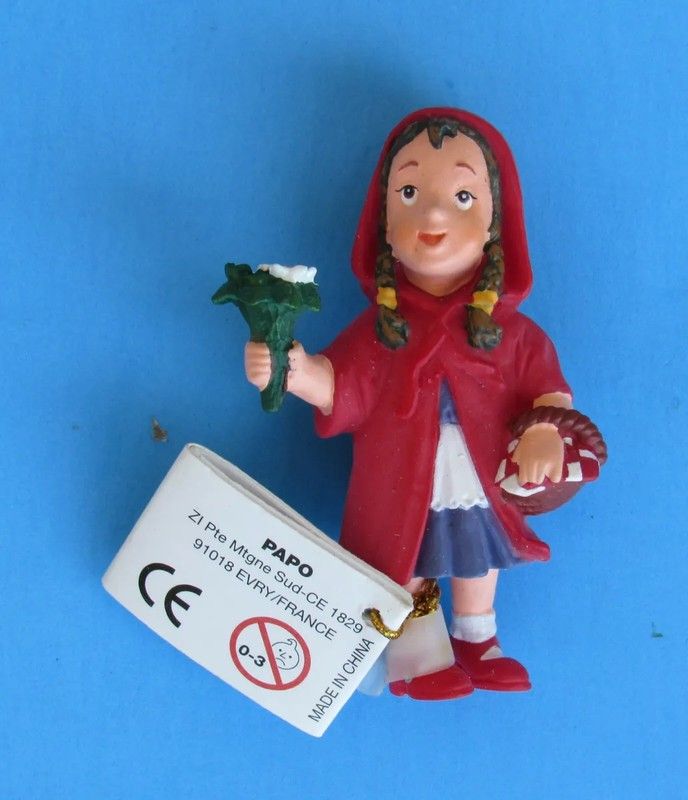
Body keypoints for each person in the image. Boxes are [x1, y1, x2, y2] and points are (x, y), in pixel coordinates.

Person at [245, 108, 572, 700]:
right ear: (383, 222)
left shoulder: (513, 335)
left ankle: (477, 637)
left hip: (478, 476)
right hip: (401, 480)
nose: (435, 215)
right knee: (408, 556)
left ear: (496, 222)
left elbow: (548, 389)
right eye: (411, 192)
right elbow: (341, 387)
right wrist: (291, 369)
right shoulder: (378, 333)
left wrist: (546, 431)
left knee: (477, 555)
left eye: (463, 196)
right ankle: (420, 658)